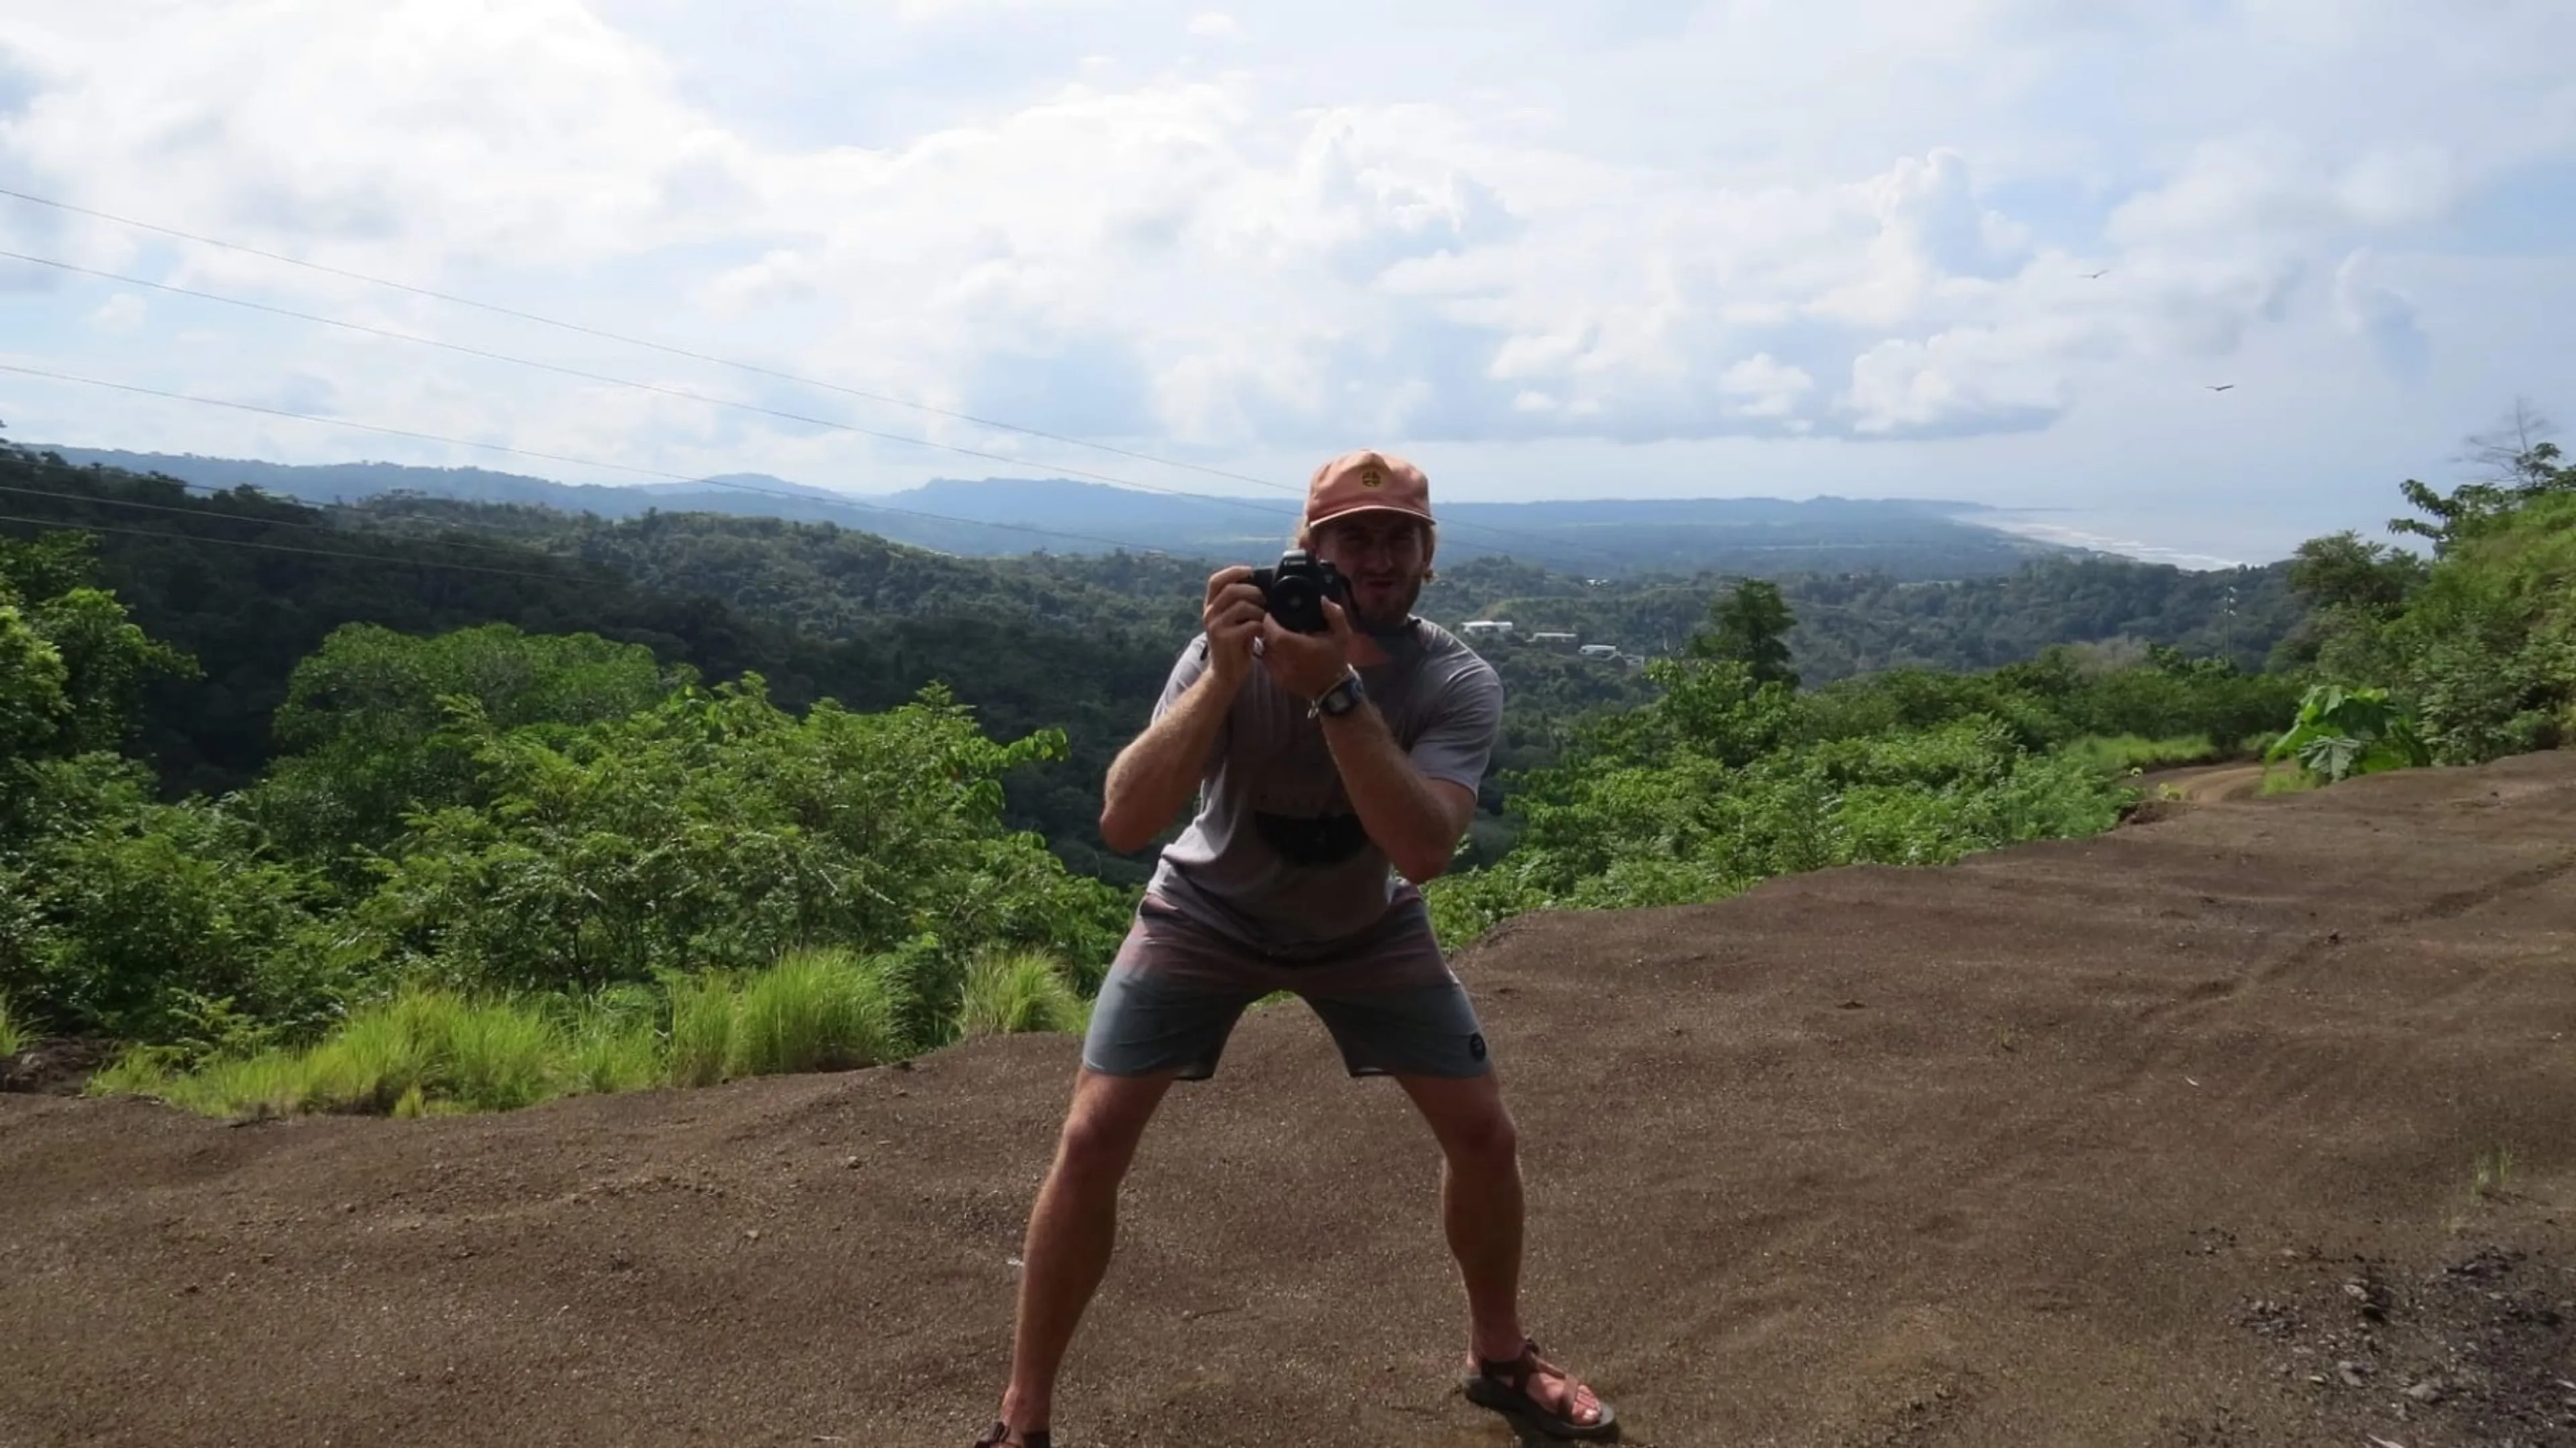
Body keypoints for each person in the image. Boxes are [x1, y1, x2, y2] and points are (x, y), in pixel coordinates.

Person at [971, 450, 1617, 1447]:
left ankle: (1499, 1355)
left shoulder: (1454, 678)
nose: (1375, 556)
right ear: (1304, 551)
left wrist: (1336, 693)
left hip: (1367, 920)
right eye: (1349, 537)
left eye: (1397, 536)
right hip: (1206, 908)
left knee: (1484, 1134)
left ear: (1428, 557)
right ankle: (1024, 1416)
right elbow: (1124, 817)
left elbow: (1423, 848)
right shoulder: (1235, 650)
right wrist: (1226, 674)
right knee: (1092, 1138)